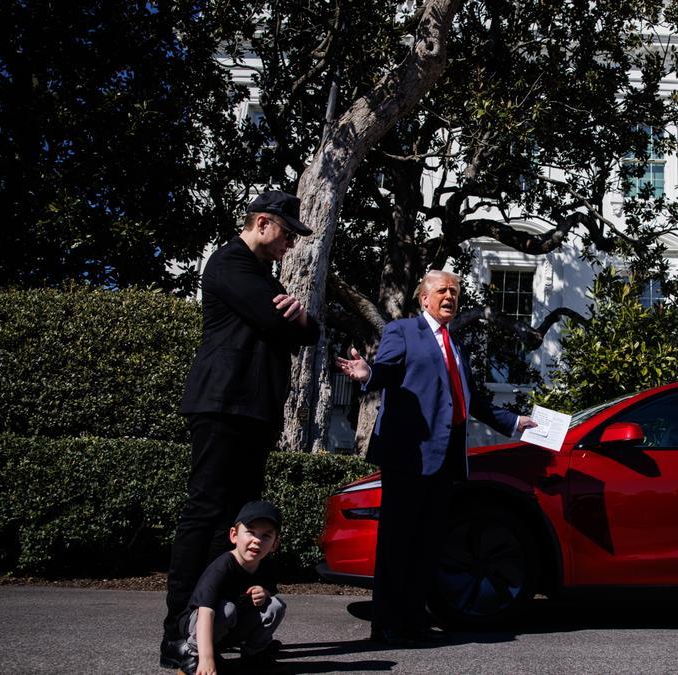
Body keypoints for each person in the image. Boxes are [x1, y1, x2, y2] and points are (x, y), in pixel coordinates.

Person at [336, 270, 536, 646]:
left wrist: (515, 422)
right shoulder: (404, 331)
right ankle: (387, 624)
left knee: (427, 545)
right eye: (442, 290)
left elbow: (472, 399)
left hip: (445, 460)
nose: (450, 297)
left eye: (455, 292)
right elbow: (388, 370)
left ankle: (414, 621)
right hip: (410, 456)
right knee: (398, 544)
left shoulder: (455, 345)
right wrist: (368, 374)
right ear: (424, 298)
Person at [161, 190, 318, 669]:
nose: (290, 244)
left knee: (235, 521)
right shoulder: (230, 264)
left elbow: (306, 331)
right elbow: (280, 325)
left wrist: (303, 321)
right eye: (288, 233)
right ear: (263, 223)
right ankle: (178, 635)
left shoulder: (262, 275)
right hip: (222, 404)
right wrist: (298, 322)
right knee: (205, 511)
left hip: (254, 409)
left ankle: (219, 626)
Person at [177, 500, 287, 675]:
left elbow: (269, 591)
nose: (257, 540)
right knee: (226, 609)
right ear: (234, 535)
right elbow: (206, 612)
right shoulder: (222, 566)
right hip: (203, 624)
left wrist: (263, 593)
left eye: (266, 535)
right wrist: (207, 660)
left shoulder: (266, 565)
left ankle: (254, 656)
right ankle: (194, 655)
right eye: (250, 532)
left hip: (234, 625)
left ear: (275, 543)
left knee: (275, 605)